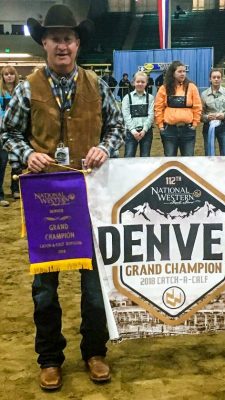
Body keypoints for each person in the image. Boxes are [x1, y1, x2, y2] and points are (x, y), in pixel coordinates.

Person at [1, 4, 123, 390]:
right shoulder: (26, 87)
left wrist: (106, 147)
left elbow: (117, 127)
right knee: (44, 290)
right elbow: (8, 134)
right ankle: (50, 358)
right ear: (44, 44)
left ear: (77, 43)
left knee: (94, 286)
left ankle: (94, 352)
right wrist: (27, 154)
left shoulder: (97, 85)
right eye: (54, 39)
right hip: (45, 201)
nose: (62, 45)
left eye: (68, 38)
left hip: (91, 199)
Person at [155, 60, 202, 156]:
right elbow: (158, 108)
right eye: (179, 71)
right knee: (170, 159)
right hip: (169, 130)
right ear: (173, 73)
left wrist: (194, 124)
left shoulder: (192, 87)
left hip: (188, 130)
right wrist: (161, 126)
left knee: (188, 159)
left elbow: (197, 107)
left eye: (184, 71)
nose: (182, 74)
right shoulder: (164, 88)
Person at [200, 69, 225, 156]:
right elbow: (200, 115)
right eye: (214, 77)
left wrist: (224, 115)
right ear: (210, 79)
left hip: (223, 127)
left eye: (218, 77)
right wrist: (207, 117)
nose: (216, 79)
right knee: (209, 154)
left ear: (221, 79)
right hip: (208, 127)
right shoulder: (204, 94)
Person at [0, 65, 21, 204]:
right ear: (2, 77)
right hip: (2, 131)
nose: (9, 76)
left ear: (15, 76)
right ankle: (0, 195)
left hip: (17, 132)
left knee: (17, 163)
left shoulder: (20, 90)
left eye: (11, 74)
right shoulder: (0, 93)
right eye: (6, 74)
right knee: (2, 163)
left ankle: (15, 190)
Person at [122, 71, 154, 157]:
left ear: (146, 83)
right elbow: (126, 115)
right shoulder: (127, 98)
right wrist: (133, 131)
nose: (140, 84)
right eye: (138, 81)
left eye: (143, 82)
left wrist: (144, 130)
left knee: (145, 157)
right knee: (129, 156)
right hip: (131, 133)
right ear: (133, 83)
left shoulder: (150, 98)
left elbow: (151, 115)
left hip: (146, 133)